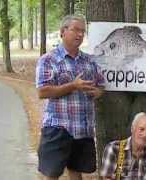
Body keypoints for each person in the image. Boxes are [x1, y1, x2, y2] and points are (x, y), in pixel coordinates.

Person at [35, 15, 105, 180]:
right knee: (51, 174)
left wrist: (98, 92)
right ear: (62, 32)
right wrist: (73, 86)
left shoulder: (89, 61)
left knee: (76, 172)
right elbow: (42, 92)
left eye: (82, 31)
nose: (80, 34)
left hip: (83, 128)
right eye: (75, 30)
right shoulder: (49, 60)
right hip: (58, 127)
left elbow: (101, 85)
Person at [100, 112, 146, 180]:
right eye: (141, 129)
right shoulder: (113, 148)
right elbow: (107, 177)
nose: (144, 134)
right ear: (132, 129)